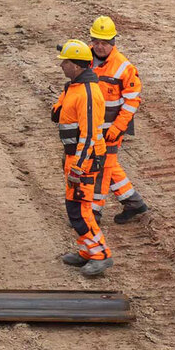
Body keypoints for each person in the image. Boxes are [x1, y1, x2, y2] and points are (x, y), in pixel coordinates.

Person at [52, 40, 112, 275]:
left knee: (80, 211)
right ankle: (87, 251)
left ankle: (101, 254)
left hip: (84, 162)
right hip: (75, 158)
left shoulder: (87, 93)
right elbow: (59, 115)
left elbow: (88, 135)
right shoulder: (75, 87)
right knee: (74, 207)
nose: (62, 66)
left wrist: (77, 167)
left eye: (65, 62)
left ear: (76, 66)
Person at [87, 15, 147, 222]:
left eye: (104, 43)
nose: (100, 47)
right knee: (106, 164)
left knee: (102, 167)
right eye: (96, 42)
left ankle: (94, 211)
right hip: (91, 126)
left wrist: (118, 128)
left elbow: (132, 102)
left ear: (113, 42)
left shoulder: (124, 68)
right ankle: (133, 202)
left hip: (112, 128)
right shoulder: (85, 60)